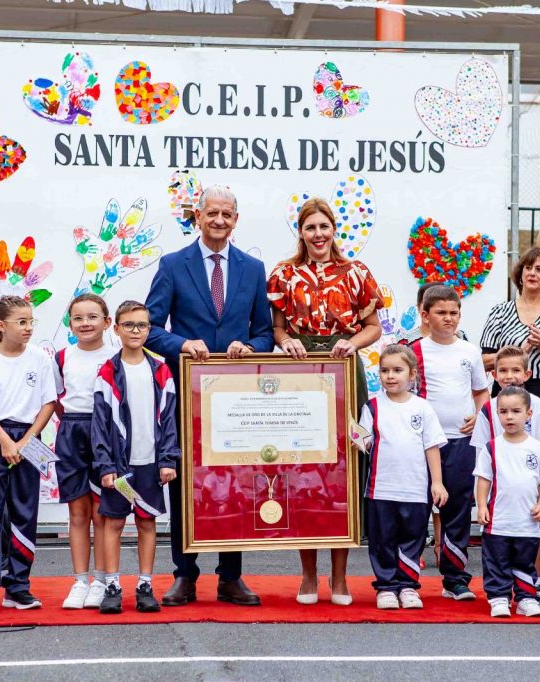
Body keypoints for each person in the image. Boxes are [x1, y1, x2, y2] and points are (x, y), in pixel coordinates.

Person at [145, 185, 274, 607]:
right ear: (197, 218)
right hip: (187, 393)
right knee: (186, 484)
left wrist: (251, 349)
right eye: (211, 213)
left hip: (237, 398)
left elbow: (264, 332)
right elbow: (151, 328)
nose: (219, 221)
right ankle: (184, 574)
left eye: (227, 214)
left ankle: (231, 576)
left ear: (236, 220)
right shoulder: (171, 264)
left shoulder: (253, 268)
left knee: (236, 483)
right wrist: (182, 345)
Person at [268, 197, 383, 606]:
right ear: (300, 232)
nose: (318, 234)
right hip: (301, 372)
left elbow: (374, 328)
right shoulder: (284, 274)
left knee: (342, 468)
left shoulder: (356, 272)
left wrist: (351, 343)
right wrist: (287, 342)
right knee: (303, 467)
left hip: (342, 370)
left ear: (335, 229)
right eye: (310, 227)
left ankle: (339, 578)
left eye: (324, 226)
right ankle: (307, 575)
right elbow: (277, 329)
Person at [0, 296, 57, 614]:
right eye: (22, 322)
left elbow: (49, 404)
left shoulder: (41, 359)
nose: (28, 327)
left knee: (24, 514)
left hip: (30, 439)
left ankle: (18, 587)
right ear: (2, 325)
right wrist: (5, 441)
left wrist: (25, 440)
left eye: (31, 321)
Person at [92, 301, 180, 613]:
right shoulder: (107, 372)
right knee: (113, 524)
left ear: (150, 329)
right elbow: (100, 425)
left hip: (151, 464)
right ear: (115, 328)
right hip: (118, 467)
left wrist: (168, 459)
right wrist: (105, 465)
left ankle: (145, 585)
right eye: (128, 324)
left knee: (147, 522)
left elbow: (169, 419)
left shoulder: (161, 370)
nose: (136, 331)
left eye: (142, 325)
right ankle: (112, 585)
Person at [409, 285, 490, 601]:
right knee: (416, 510)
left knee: (457, 510)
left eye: (454, 313)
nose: (448, 319)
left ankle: (455, 579)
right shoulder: (413, 351)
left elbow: (481, 392)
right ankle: (406, 578)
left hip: (461, 443)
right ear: (425, 316)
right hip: (421, 445)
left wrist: (479, 415)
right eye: (441, 313)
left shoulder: (469, 352)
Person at [358, 345, 448, 609]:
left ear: (412, 374)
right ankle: (386, 587)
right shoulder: (372, 407)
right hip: (381, 489)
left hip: (415, 489)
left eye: (397, 370)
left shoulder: (423, 408)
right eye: (385, 370)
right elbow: (364, 442)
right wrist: (354, 438)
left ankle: (408, 586)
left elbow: (432, 446)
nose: (390, 376)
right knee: (382, 539)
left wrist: (437, 482)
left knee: (413, 537)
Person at [469, 345, 540, 609]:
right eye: (503, 370)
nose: (510, 376)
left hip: (529, 496)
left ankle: (532, 589)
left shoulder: (538, 406)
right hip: (499, 497)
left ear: (527, 373)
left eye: (515, 370)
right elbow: (482, 459)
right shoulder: (489, 409)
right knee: (497, 548)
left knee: (531, 540)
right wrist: (482, 502)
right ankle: (498, 596)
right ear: (494, 374)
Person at [54, 294, 115, 610]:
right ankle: (80, 580)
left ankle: (102, 580)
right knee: (77, 512)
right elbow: (53, 400)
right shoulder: (63, 357)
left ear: (107, 322)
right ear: (70, 323)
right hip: (72, 432)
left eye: (93, 317)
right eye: (78, 318)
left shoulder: (118, 355)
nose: (85, 323)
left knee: (102, 511)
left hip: (106, 434)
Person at [479, 246, 540, 395]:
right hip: (506, 391)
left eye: (539, 269)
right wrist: (516, 354)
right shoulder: (500, 311)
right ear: (521, 274)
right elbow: (482, 362)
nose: (532, 273)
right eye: (528, 268)